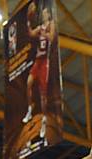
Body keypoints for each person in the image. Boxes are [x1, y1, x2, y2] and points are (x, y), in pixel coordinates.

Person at [21, 2, 56, 139]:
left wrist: (44, 33)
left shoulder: (50, 24)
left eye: (46, 13)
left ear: (49, 14)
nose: (44, 14)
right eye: (43, 13)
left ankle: (44, 121)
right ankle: (30, 109)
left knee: (43, 94)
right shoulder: (41, 26)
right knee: (28, 83)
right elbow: (30, 34)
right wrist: (28, 20)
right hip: (37, 60)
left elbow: (52, 38)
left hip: (45, 62)